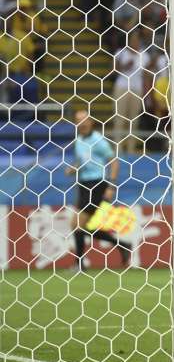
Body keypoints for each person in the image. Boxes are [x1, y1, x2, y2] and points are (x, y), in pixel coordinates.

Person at [68, 110, 130, 270]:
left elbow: (114, 162)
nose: (82, 123)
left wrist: (111, 185)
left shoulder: (99, 140)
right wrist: (74, 168)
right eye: (78, 120)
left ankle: (79, 265)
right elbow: (84, 161)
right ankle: (122, 245)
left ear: (91, 122)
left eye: (85, 120)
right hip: (83, 185)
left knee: (77, 224)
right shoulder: (78, 140)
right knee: (83, 226)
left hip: (97, 184)